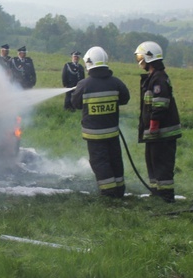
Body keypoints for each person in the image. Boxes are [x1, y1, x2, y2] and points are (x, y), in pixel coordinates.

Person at [71, 47, 130, 198]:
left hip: (94, 135)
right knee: (115, 159)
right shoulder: (116, 82)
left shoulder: (84, 84)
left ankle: (109, 192)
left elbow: (75, 104)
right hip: (112, 132)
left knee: (100, 162)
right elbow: (125, 98)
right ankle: (119, 189)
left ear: (89, 64)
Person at [134, 41, 182, 203]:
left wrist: (154, 124)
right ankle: (156, 193)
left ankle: (166, 197)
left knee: (162, 164)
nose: (139, 60)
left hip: (162, 132)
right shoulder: (153, 77)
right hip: (155, 133)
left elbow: (160, 103)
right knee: (153, 162)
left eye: (140, 56)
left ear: (149, 58)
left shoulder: (159, 79)